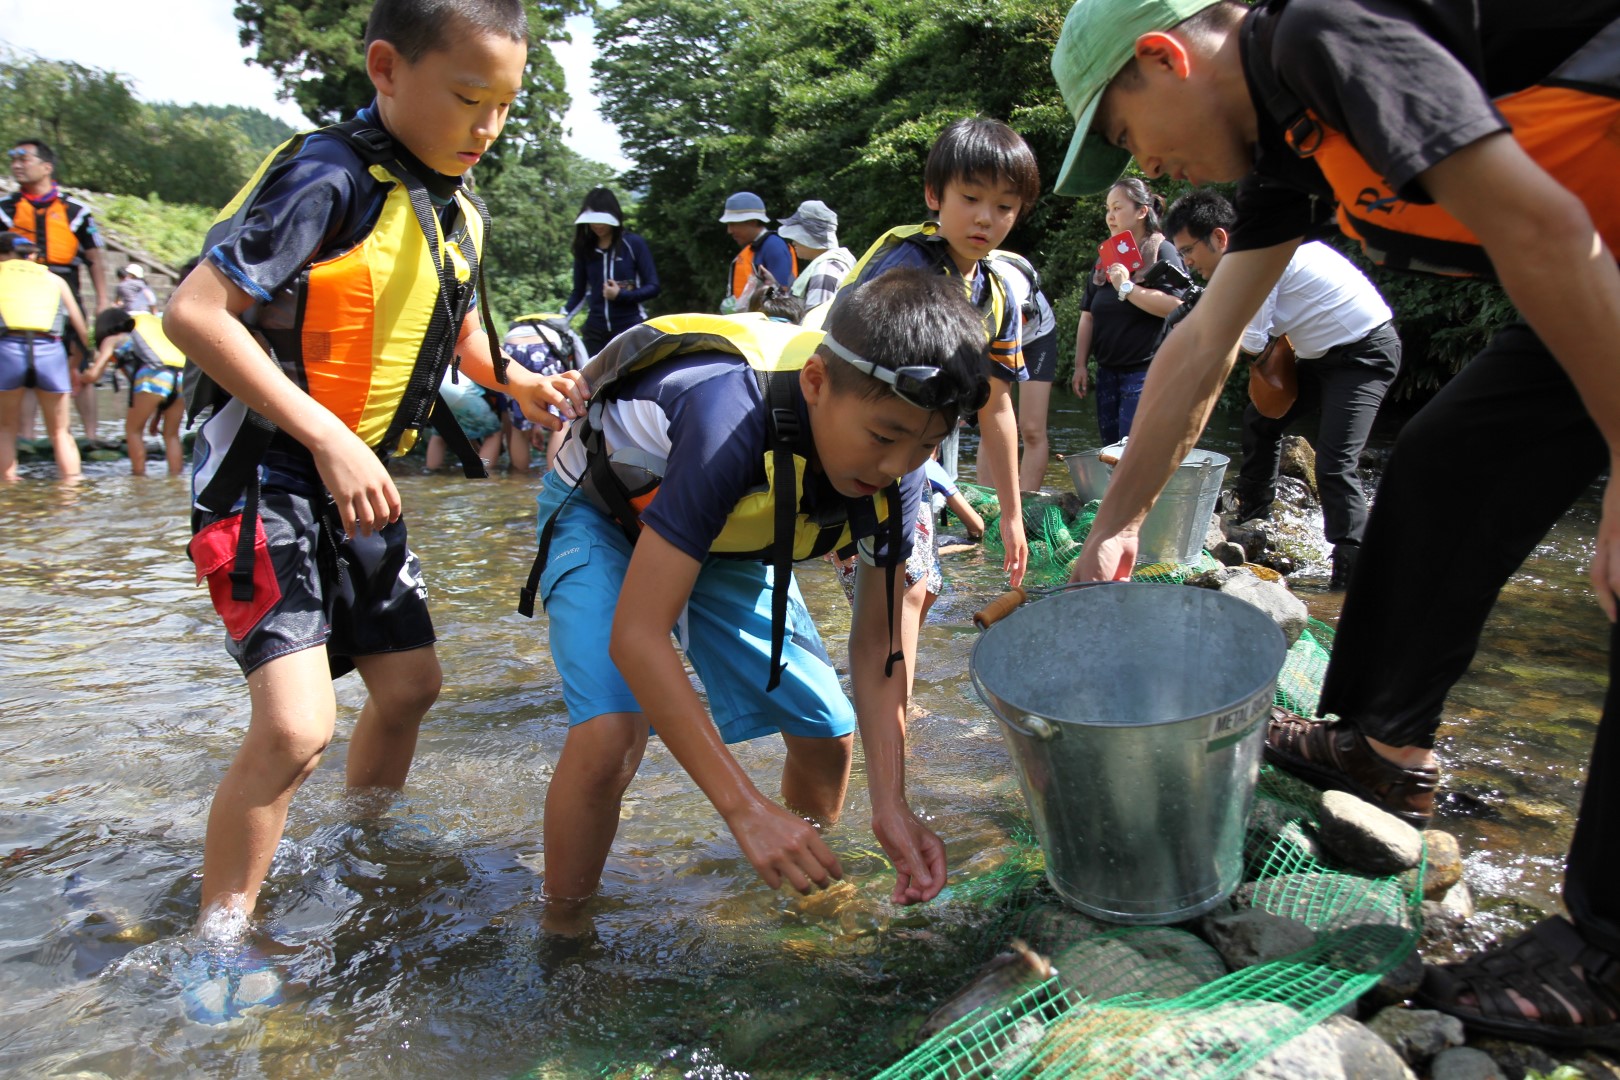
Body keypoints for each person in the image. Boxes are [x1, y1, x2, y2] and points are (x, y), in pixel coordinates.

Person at [1052, 0, 1620, 1049]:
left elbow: (1539, 227)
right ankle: (1380, 746)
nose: (1155, 168)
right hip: (1594, 268)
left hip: (1583, 253)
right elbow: (1206, 343)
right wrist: (1115, 526)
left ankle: (1611, 959)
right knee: (1446, 465)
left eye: (1131, 136)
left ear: (1163, 55)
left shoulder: (1325, 33)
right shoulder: (1288, 146)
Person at [161, 0, 587, 933]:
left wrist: (519, 384)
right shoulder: (325, 177)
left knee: (410, 686)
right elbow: (193, 314)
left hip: (360, 483)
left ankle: (359, 848)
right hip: (265, 477)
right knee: (296, 728)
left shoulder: (459, 202)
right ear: (386, 68)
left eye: (507, 104)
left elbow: (465, 339)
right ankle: (218, 938)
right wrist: (327, 435)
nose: (488, 127)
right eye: (469, 97)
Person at [522, 270, 989, 928]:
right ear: (818, 383)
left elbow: (881, 644)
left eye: (925, 445)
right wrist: (742, 807)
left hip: (727, 539)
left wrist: (893, 803)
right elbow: (637, 636)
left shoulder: (898, 473)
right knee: (610, 732)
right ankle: (563, 929)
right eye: (884, 438)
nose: (894, 466)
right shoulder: (728, 417)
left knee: (828, 733)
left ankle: (794, 880)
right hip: (606, 515)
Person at [1162, 188, 1401, 588]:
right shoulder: (1251, 253)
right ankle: (1254, 515)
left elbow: (1253, 341)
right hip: (1319, 355)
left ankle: (1351, 572)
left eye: (1188, 251)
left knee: (1335, 461)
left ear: (1220, 239)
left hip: (1365, 354)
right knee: (1261, 417)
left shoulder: (1259, 258)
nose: (1185, 262)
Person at [842, 115, 1041, 589]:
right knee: (900, 590)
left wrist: (1011, 517)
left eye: (1004, 206)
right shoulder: (906, 265)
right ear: (935, 195)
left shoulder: (996, 293)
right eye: (970, 199)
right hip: (850, 455)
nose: (985, 218)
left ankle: (890, 665)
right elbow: (845, 375)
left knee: (920, 589)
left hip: (908, 462)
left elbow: (997, 405)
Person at [4, 138, 108, 440]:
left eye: (24, 158)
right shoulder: (5, 210)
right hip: (19, 290)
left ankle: (90, 436)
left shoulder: (76, 211)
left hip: (65, 284)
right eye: (13, 160)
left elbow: (94, 258)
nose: (16, 165)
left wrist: (102, 300)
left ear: (46, 166)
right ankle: (26, 437)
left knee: (78, 356)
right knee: (23, 363)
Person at [1071, 177, 1188, 446]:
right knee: (1110, 449)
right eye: (1107, 209)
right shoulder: (1105, 256)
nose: (1110, 216)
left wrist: (1126, 286)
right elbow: (1087, 314)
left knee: (1133, 449)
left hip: (1147, 369)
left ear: (1142, 211)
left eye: (1117, 208)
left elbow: (1177, 307)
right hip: (1106, 370)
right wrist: (1079, 366)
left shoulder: (1163, 250)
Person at [0, 233, 88, 481]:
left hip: (7, 349)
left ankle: (8, 491)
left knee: (5, 429)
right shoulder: (55, 279)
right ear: (29, 254)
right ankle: (71, 492)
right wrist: (79, 363)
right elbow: (81, 327)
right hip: (50, 350)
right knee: (61, 432)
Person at [80, 309, 188, 476]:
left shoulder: (112, 339)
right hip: (181, 379)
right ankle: (176, 477)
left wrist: (81, 377)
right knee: (171, 435)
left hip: (152, 377)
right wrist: (157, 417)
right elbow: (165, 379)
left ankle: (138, 476)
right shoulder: (147, 337)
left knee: (133, 431)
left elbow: (95, 374)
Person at [986, 249, 1059, 492]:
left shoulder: (1007, 282)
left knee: (1031, 428)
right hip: (993, 339)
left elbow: (1008, 340)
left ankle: (1026, 504)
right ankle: (987, 504)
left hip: (1036, 339)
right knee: (990, 423)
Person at [564, 187, 660, 356]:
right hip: (594, 331)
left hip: (630, 329)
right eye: (592, 220)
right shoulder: (585, 249)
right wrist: (560, 318)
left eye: (601, 219)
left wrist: (620, 295)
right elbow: (578, 292)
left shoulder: (633, 244)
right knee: (593, 382)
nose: (597, 225)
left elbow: (653, 286)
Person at [500, 313, 587, 472]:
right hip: (545, 347)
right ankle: (555, 479)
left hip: (510, 348)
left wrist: (536, 425)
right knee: (560, 423)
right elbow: (583, 362)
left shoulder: (519, 324)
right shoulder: (565, 329)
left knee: (519, 428)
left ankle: (519, 479)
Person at [719, 191, 796, 314]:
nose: (729, 231)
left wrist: (762, 304)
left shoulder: (773, 246)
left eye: (732, 224)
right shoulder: (757, 247)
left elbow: (781, 291)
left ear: (752, 222)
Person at [778, 200, 853, 308]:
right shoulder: (831, 264)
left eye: (797, 236)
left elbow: (815, 321)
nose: (793, 242)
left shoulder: (825, 271)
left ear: (811, 236)